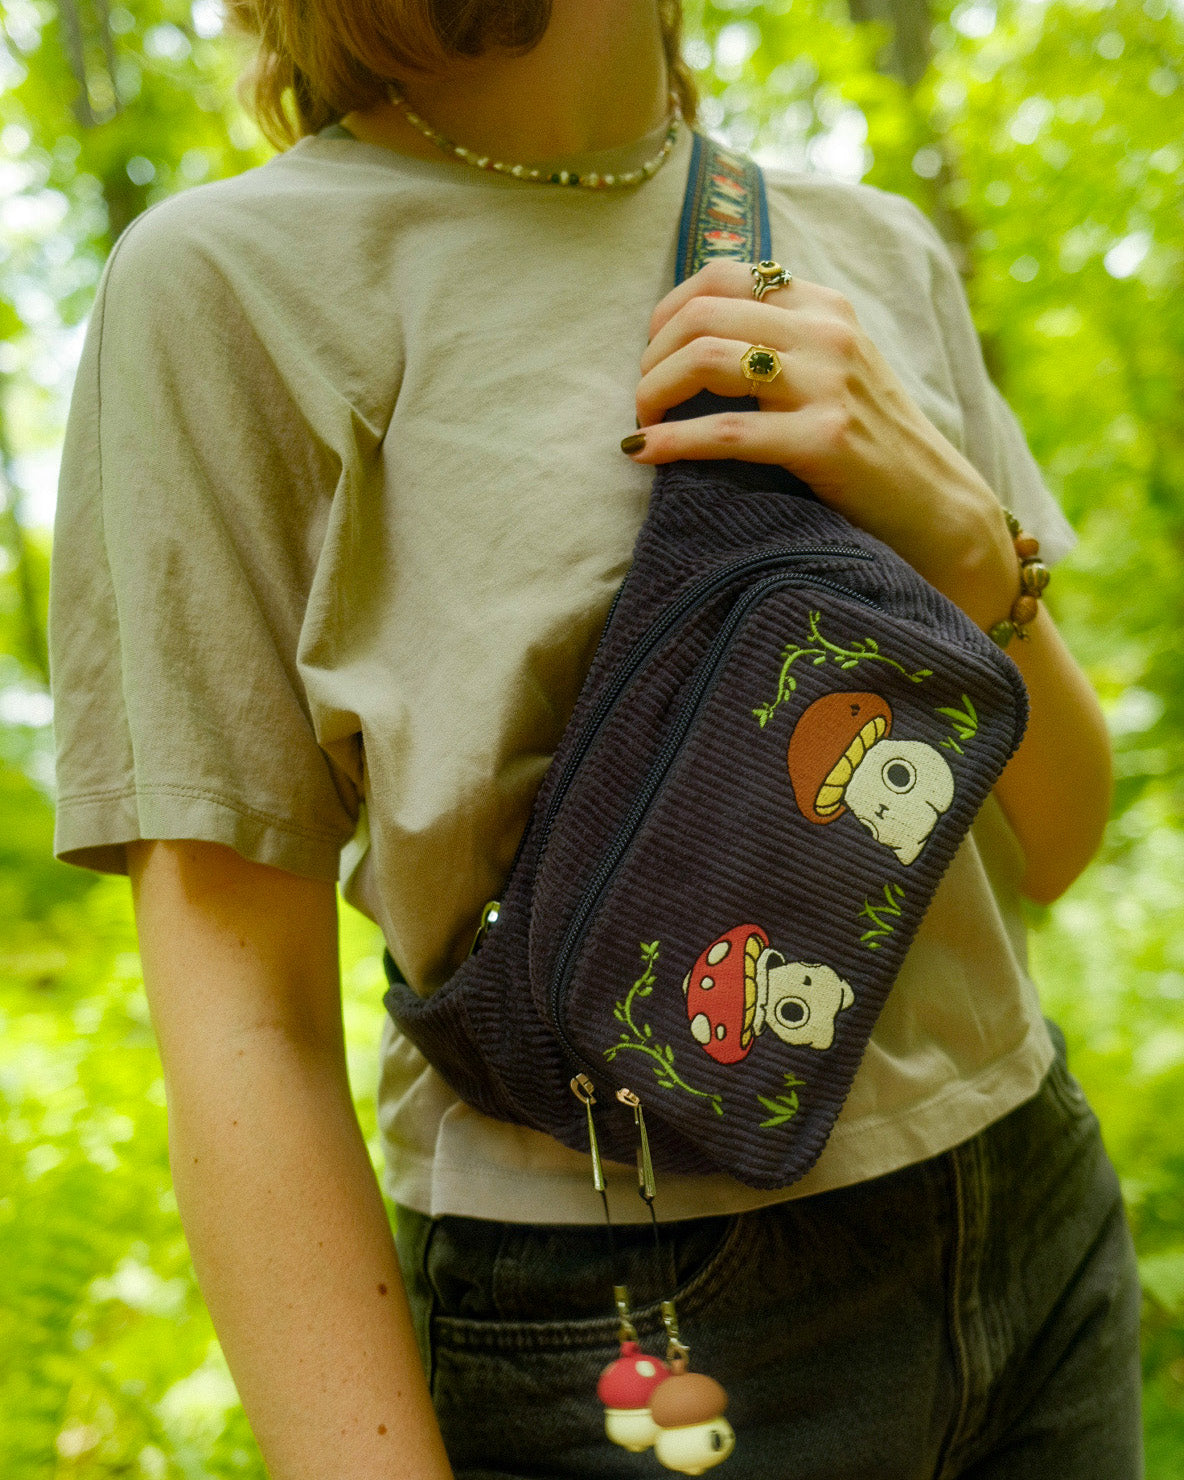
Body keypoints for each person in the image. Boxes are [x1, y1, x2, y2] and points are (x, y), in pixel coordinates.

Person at [48, 1, 1142, 1476]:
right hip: (633, 1317)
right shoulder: (230, 289)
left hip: (1033, 1202)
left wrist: (953, 526)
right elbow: (251, 1026)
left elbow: (1055, 842)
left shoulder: (867, 243)